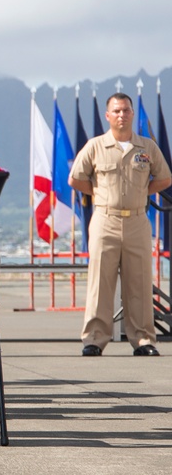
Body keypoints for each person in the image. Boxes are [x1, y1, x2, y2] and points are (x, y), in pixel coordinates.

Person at [69, 92, 171, 357]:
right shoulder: (95, 146)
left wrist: (141, 192)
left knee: (138, 282)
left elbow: (165, 178)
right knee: (100, 283)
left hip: (138, 220)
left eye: (126, 110)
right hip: (105, 220)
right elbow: (76, 179)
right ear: (108, 115)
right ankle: (94, 339)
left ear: (132, 113)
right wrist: (99, 192)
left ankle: (144, 340)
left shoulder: (147, 147)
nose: (121, 115)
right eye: (116, 111)